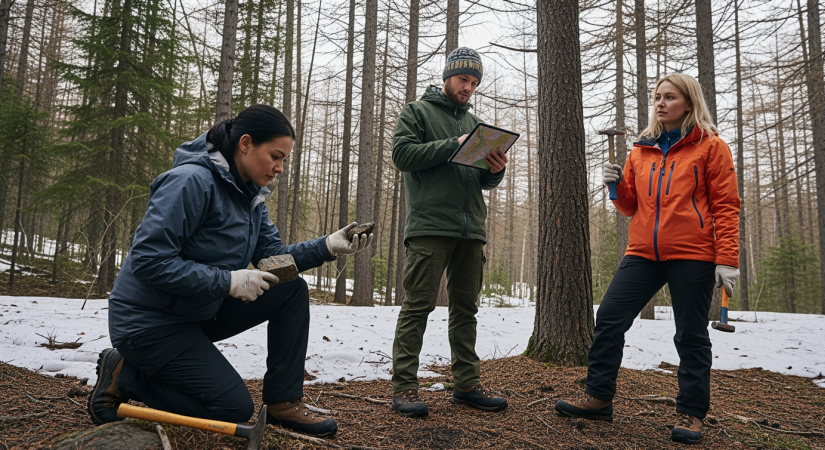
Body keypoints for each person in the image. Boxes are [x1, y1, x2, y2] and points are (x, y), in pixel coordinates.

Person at [86, 104, 372, 438]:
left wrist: (325, 246)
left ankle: (283, 402)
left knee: (290, 289)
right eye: (275, 156)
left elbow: (272, 259)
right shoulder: (190, 182)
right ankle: (125, 373)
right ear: (246, 143)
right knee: (231, 409)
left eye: (285, 161)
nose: (280, 169)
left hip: (197, 310)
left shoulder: (249, 195)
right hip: (149, 324)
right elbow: (149, 261)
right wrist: (228, 282)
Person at [554, 74, 741, 445]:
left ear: (689, 102)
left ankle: (691, 412)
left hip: (693, 253)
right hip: (642, 252)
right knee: (608, 318)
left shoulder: (711, 147)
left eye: (669, 97)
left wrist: (727, 259)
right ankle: (599, 397)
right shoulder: (641, 150)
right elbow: (629, 206)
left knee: (690, 333)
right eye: (657, 97)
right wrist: (614, 184)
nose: (660, 103)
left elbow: (726, 206)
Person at [389, 47, 509, 418]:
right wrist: (452, 145)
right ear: (447, 77)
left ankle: (467, 385)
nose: (468, 87)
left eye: (474, 83)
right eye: (463, 80)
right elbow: (402, 156)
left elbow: (483, 181)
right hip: (429, 227)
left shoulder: (476, 123)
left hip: (471, 229)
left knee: (465, 310)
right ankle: (405, 387)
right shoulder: (417, 111)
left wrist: (496, 168)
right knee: (418, 305)